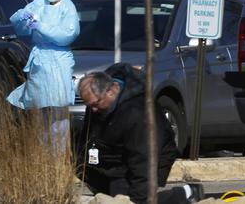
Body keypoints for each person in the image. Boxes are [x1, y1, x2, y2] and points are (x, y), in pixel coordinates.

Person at [76, 63, 204, 204]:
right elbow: (87, 138)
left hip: (148, 158)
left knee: (132, 200)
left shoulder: (137, 113)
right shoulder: (98, 106)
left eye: (95, 104)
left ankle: (183, 194)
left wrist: (138, 198)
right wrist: (83, 165)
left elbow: (143, 161)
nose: (92, 109)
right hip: (113, 160)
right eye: (89, 105)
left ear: (111, 91)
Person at [6, 0, 80, 144]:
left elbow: (67, 35)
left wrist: (41, 26)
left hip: (58, 62)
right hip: (40, 63)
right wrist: (23, 17)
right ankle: (42, 156)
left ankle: (57, 159)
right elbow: (18, 22)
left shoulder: (68, 8)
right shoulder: (39, 4)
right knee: (40, 112)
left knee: (57, 115)